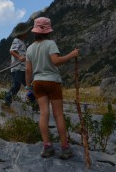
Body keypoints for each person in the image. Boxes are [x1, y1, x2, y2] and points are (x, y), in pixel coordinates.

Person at [25, 17, 79, 159]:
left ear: (35, 31)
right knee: (58, 114)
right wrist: (71, 55)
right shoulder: (50, 44)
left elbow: (28, 70)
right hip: (52, 82)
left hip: (37, 83)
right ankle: (65, 148)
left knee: (44, 113)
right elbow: (56, 61)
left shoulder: (29, 48)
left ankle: (47, 146)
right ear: (48, 31)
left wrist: (28, 87)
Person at [4, 21, 31, 107]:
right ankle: (8, 98)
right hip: (17, 69)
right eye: (26, 32)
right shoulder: (16, 41)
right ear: (22, 33)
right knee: (16, 85)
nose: (27, 33)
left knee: (29, 86)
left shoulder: (22, 42)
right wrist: (19, 57)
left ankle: (33, 102)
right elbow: (12, 51)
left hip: (23, 69)